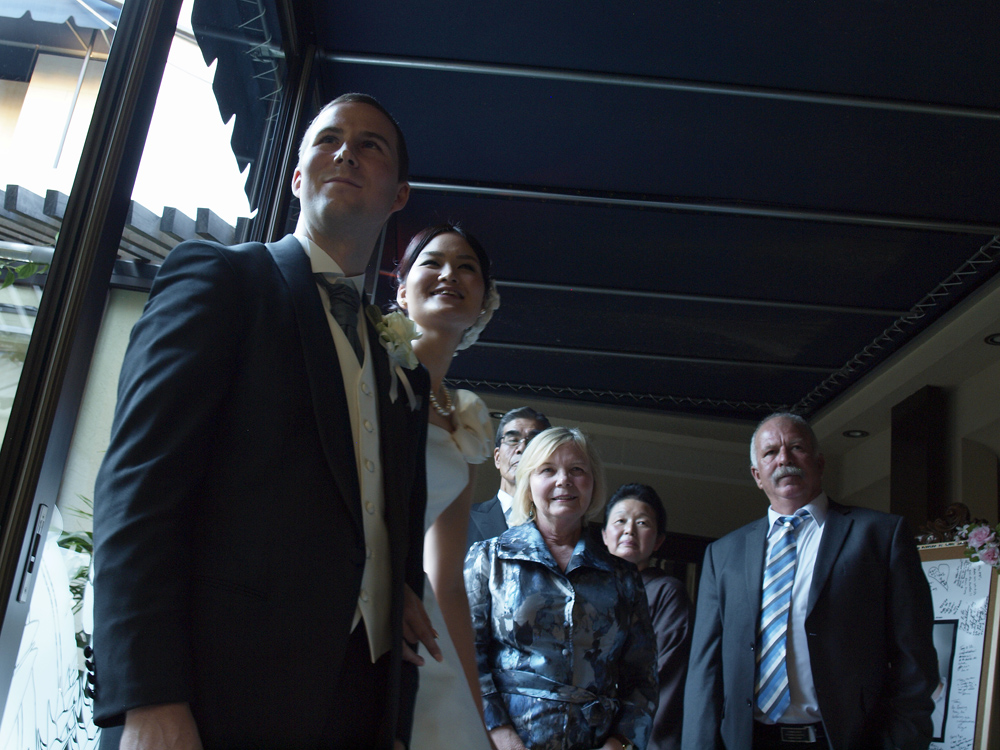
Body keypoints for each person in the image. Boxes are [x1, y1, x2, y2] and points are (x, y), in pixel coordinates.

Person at [91, 93, 429, 750]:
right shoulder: (222, 278)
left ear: (399, 195)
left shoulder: (402, 369)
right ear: (297, 177)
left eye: (370, 145)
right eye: (328, 139)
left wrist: (393, 720)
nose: (346, 152)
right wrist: (148, 697)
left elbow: (389, 537)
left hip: (356, 704)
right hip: (214, 699)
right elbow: (139, 486)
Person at [682, 413, 938, 750]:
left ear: (819, 462)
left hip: (849, 740)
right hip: (750, 740)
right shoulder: (724, 554)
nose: (784, 459)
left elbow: (914, 656)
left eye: (797, 447)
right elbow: (705, 669)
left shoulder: (880, 536)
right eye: (770, 452)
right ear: (757, 475)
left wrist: (901, 742)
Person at [466, 427, 658, 750]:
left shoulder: (623, 577)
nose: (563, 480)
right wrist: (502, 738)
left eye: (577, 470)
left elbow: (643, 678)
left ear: (593, 483)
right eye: (548, 470)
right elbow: (466, 656)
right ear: (528, 483)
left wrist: (620, 744)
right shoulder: (489, 558)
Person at [389, 223, 499, 747]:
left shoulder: (466, 417)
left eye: (466, 267)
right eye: (432, 262)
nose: (449, 274)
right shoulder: (368, 372)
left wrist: (476, 709)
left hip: (423, 616)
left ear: (482, 305)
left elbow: (448, 580)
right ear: (401, 291)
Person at [603, 484, 691, 750]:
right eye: (620, 521)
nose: (629, 530)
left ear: (658, 541)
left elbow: (663, 677)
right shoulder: (590, 591)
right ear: (605, 535)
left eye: (642, 523)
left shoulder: (667, 592)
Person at [467, 406, 551, 546]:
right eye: (512, 440)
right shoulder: (464, 519)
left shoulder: (564, 524)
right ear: (497, 458)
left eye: (533, 441)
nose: (522, 448)